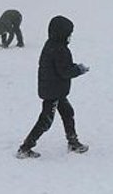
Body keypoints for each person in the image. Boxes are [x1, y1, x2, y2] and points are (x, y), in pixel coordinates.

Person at [16, 15, 90, 159]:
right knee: (46, 120)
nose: (70, 36)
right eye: (69, 33)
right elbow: (64, 71)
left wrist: (74, 67)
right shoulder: (59, 49)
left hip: (55, 89)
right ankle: (25, 147)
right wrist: (79, 70)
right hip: (53, 91)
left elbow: (62, 67)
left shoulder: (52, 45)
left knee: (68, 112)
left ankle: (73, 141)